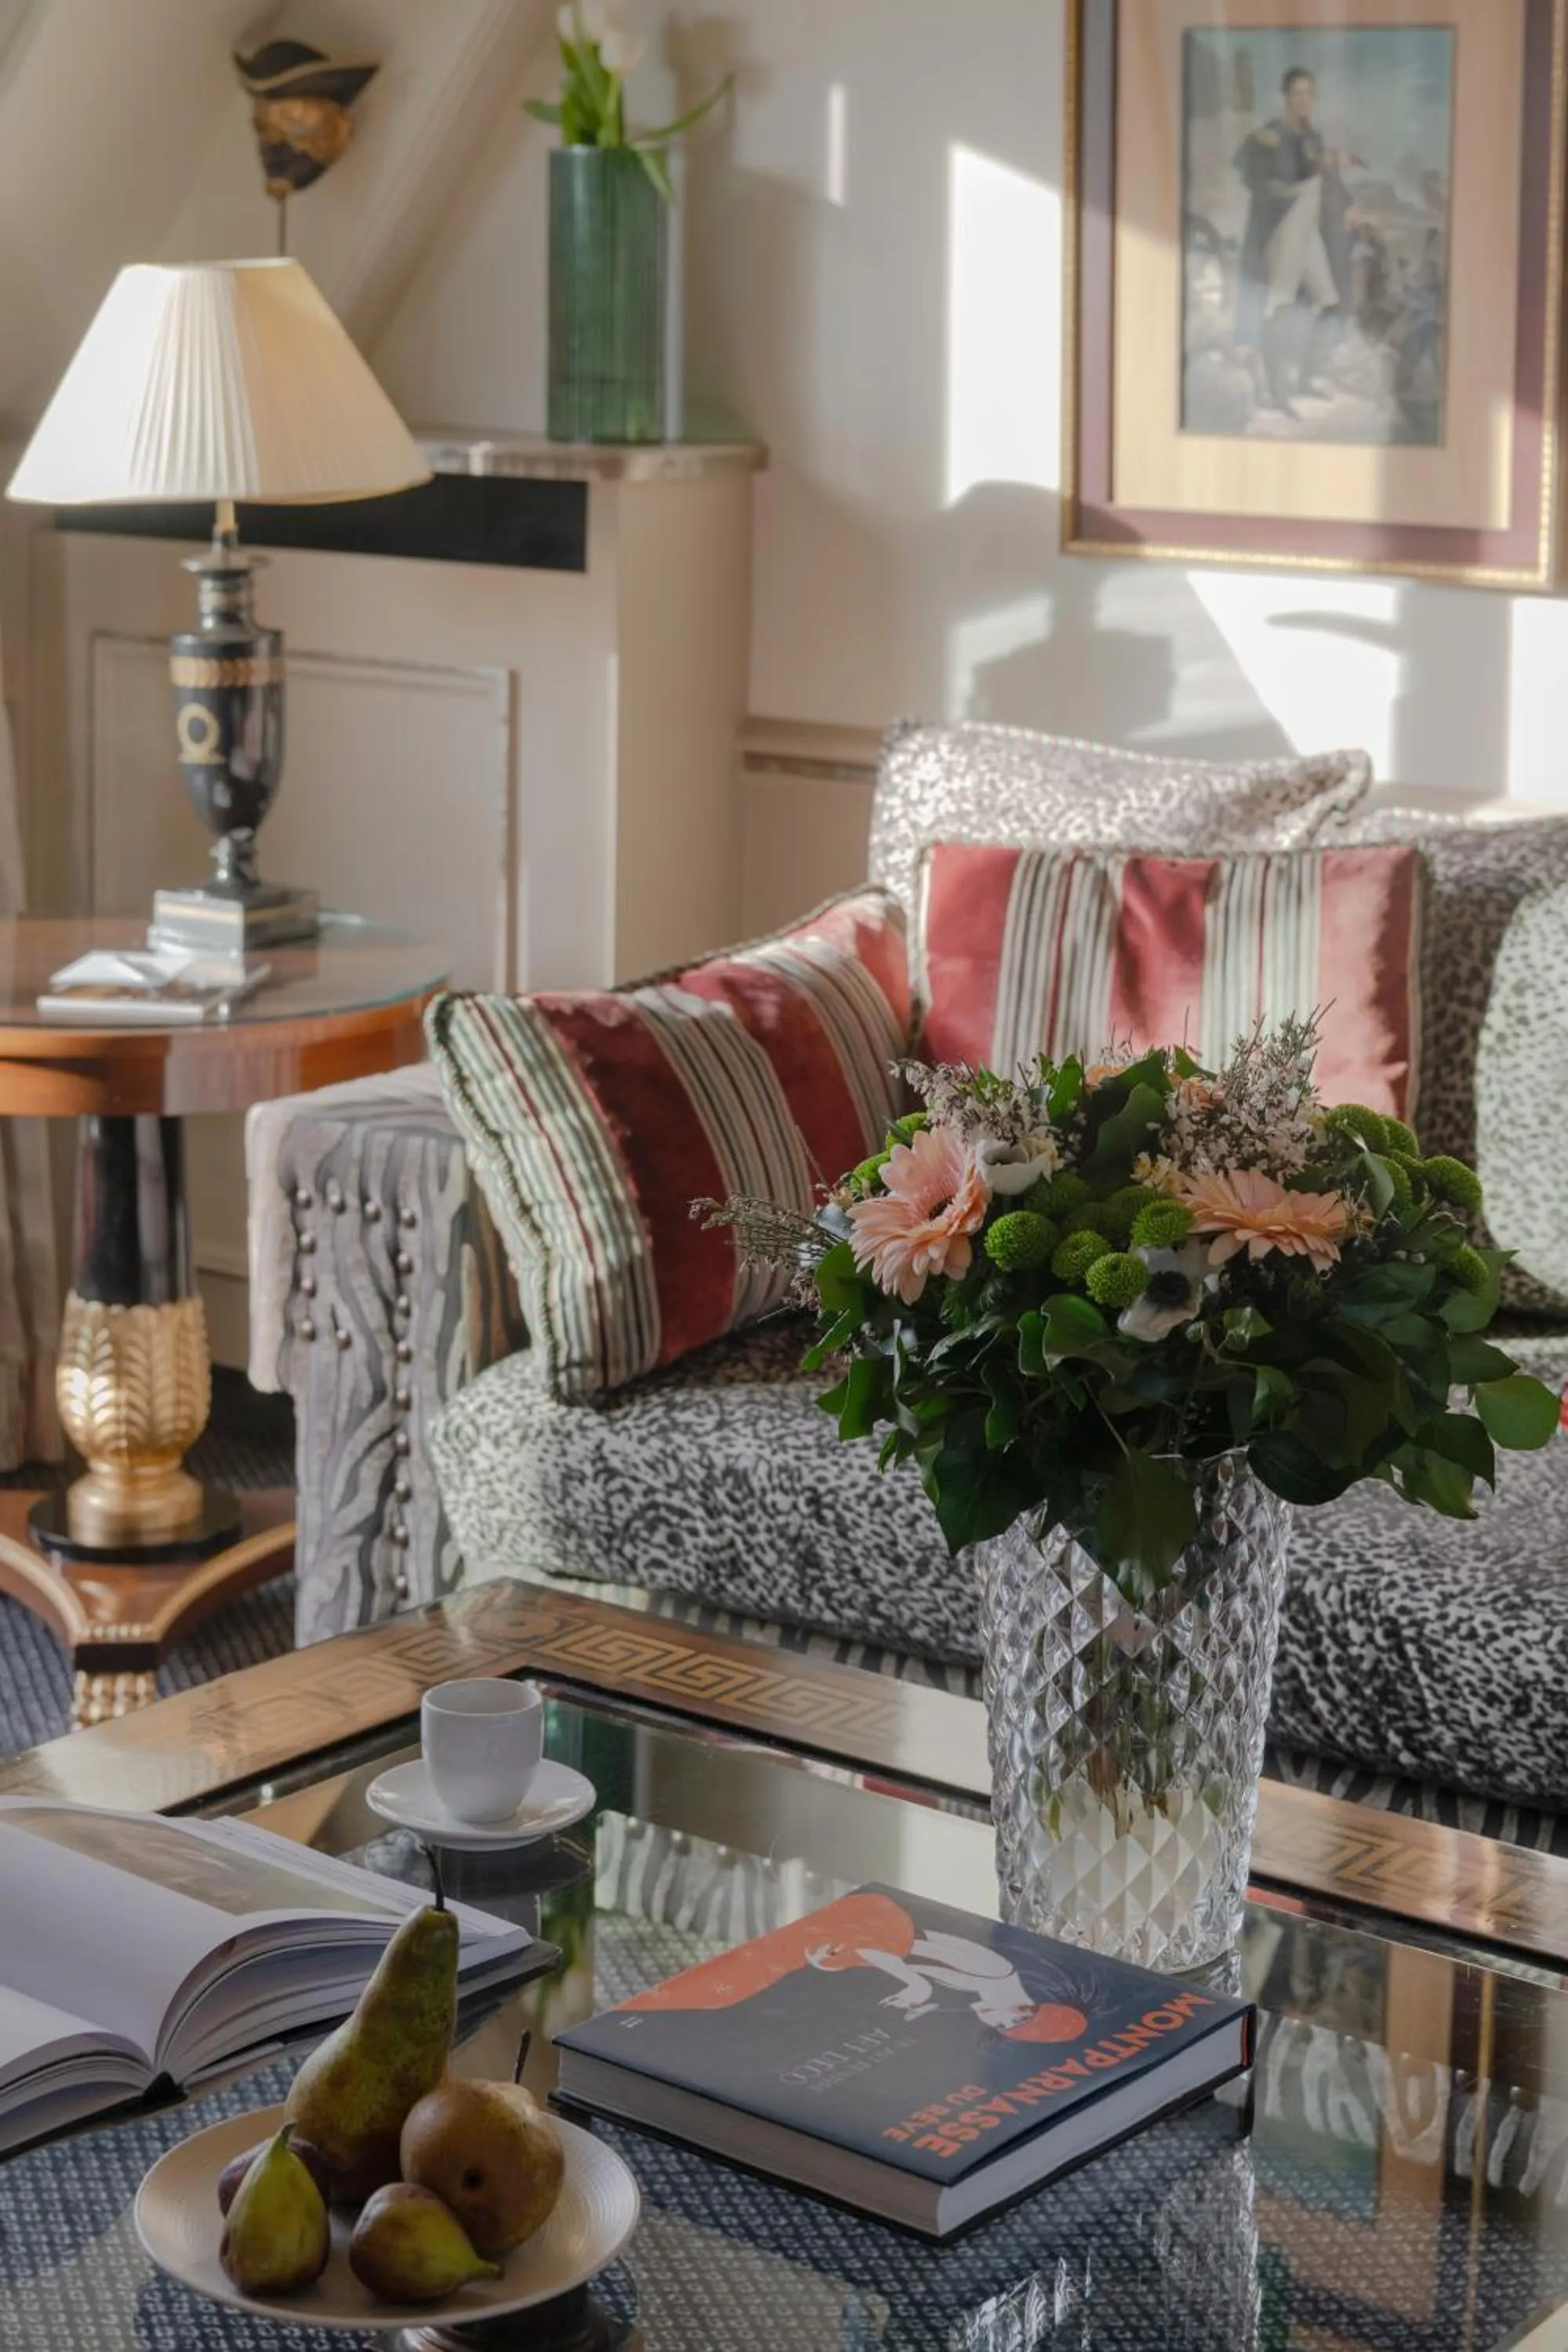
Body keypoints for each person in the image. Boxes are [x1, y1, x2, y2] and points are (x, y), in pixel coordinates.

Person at [1233, 67, 1354, 414]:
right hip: (1285, 228)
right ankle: (1278, 394)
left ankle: (1305, 379)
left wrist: (1348, 205)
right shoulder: (1271, 133)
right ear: (1286, 97)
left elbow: (1321, 171)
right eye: (1297, 93)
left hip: (1307, 231)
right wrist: (1265, 151)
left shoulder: (1311, 136)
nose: (1304, 100)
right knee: (1280, 306)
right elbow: (1256, 175)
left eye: (1309, 93)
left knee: (1329, 304)